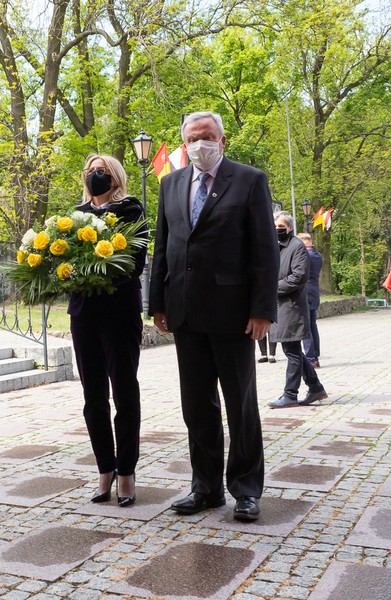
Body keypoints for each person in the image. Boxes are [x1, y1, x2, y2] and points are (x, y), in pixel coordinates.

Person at [149, 111, 278, 522]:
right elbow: (163, 245)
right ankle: (205, 488)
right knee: (197, 407)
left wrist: (262, 310)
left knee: (241, 406)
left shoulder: (249, 180)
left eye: (207, 136)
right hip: (184, 312)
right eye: (192, 138)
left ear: (222, 140)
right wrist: (157, 303)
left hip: (234, 314)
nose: (199, 144)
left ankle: (246, 489)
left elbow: (264, 250)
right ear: (184, 143)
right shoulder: (170, 184)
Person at [68, 154, 147, 507]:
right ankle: (105, 468)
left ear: (114, 176)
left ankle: (126, 471)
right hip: (84, 313)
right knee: (93, 396)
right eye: (90, 171)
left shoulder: (130, 210)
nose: (94, 175)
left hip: (119, 311)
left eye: (101, 171)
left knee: (125, 392)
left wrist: (95, 270)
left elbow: (134, 261)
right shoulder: (74, 216)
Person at [267, 213, 328, 409]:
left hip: (291, 306)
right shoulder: (275, 246)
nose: (277, 229)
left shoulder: (297, 247)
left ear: (290, 228)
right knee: (292, 350)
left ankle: (290, 394)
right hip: (279, 306)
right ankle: (315, 387)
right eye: (274, 225)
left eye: (280, 226)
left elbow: (298, 277)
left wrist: (272, 288)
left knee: (292, 351)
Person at [297, 232, 322, 368]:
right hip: (314, 292)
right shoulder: (317, 255)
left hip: (305, 292)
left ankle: (310, 358)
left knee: (306, 327)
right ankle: (315, 356)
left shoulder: (305, 255)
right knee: (313, 325)